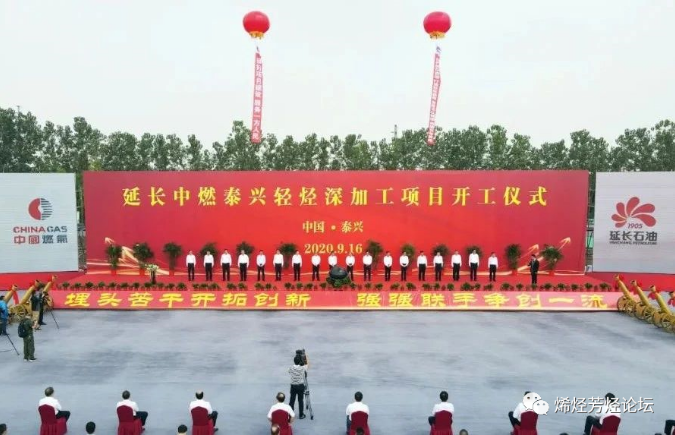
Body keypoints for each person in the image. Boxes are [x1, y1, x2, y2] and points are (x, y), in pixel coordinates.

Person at [288, 354, 308, 419]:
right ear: (300, 361)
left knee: (292, 400)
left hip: (293, 386)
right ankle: (301, 415)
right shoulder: (303, 368)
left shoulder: (291, 368)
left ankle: (290, 415)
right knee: (300, 400)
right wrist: (304, 358)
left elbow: (289, 371)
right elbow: (306, 366)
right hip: (300, 386)